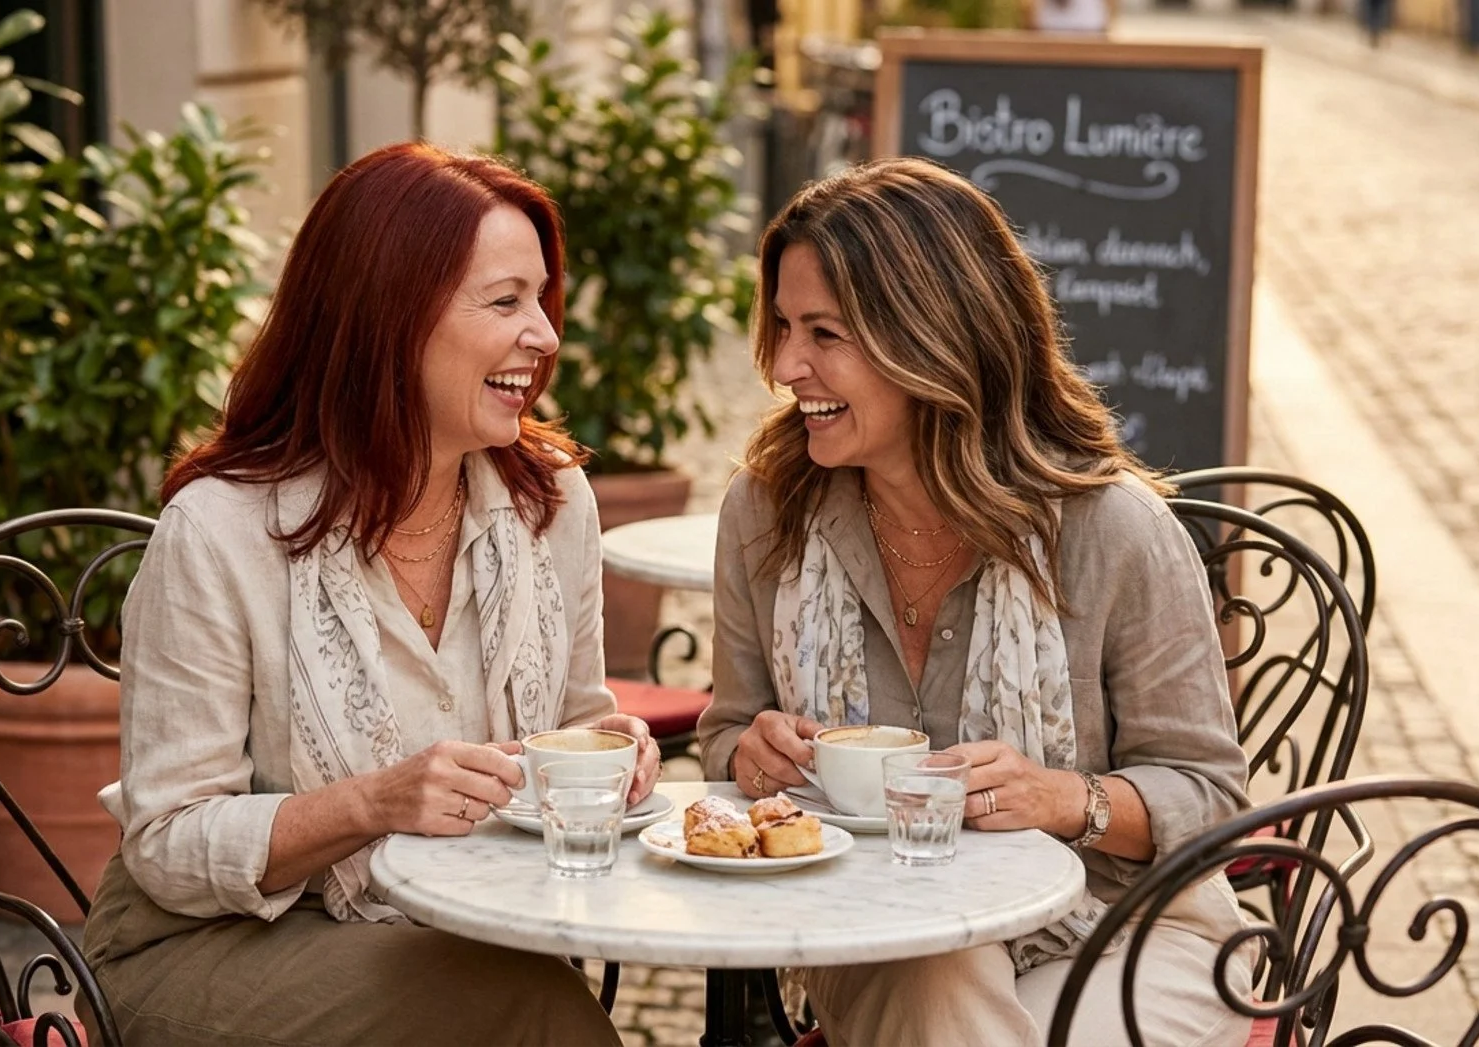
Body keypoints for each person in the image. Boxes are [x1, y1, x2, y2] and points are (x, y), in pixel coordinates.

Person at [79, 143, 658, 1046]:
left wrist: (609, 747)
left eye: (541, 301)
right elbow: (167, 844)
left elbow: (574, 716)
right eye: (505, 302)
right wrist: (370, 805)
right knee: (532, 1015)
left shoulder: (551, 501)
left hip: (460, 942)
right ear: (390, 317)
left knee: (506, 999)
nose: (544, 335)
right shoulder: (220, 532)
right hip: (207, 949)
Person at [697, 157, 1254, 1047]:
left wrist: (1068, 799)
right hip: (884, 926)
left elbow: (1209, 795)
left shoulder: (1111, 528)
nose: (788, 365)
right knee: (934, 976)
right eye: (785, 326)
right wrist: (750, 755)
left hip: (1121, 927)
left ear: (931, 340)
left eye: (825, 333)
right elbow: (725, 735)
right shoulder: (768, 513)